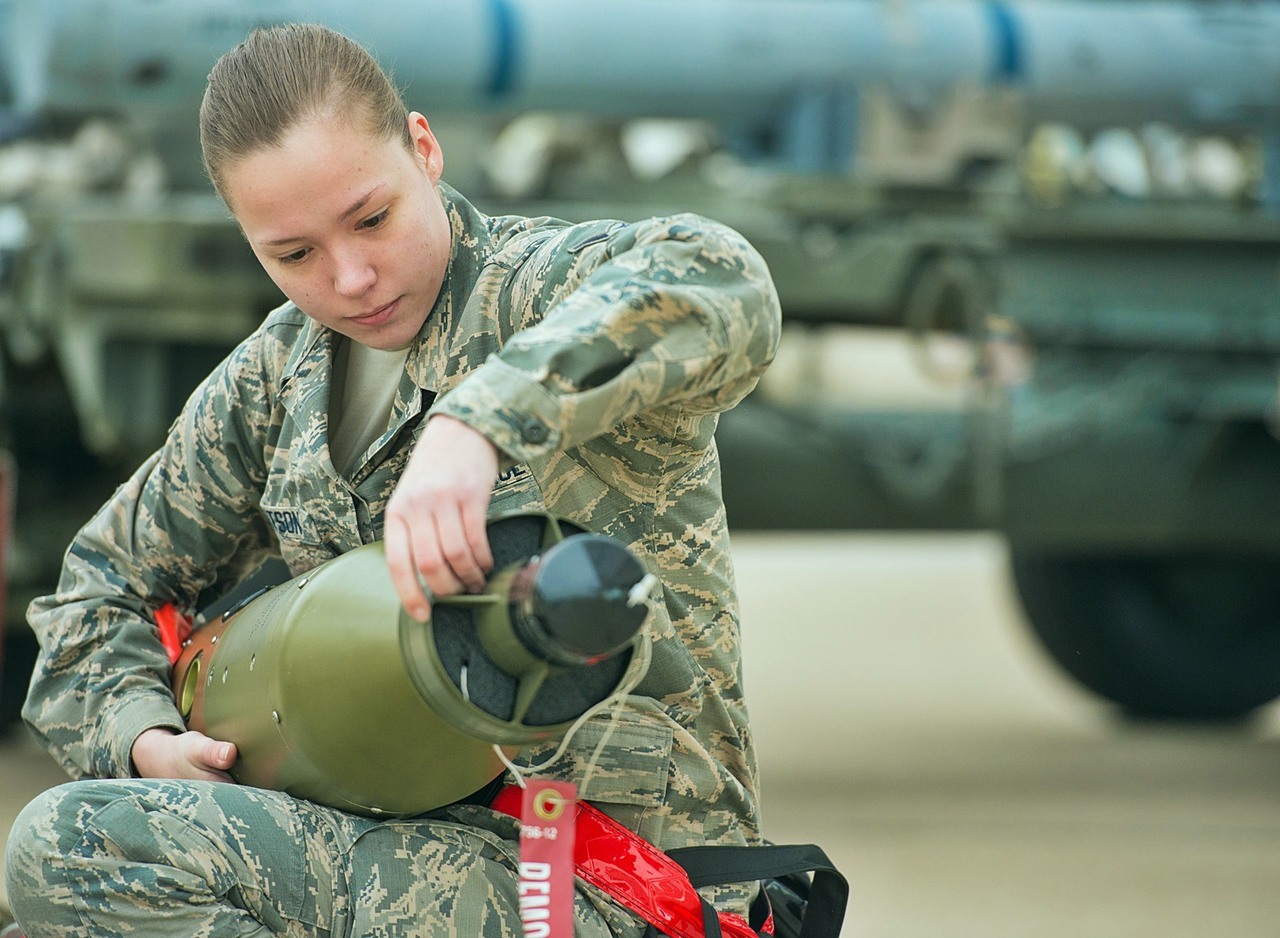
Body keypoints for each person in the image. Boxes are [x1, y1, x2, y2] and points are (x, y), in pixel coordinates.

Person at [2, 21, 781, 938]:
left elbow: (723, 277)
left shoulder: (537, 294)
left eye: (372, 218)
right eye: (293, 254)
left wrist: (482, 418)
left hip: (597, 881)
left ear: (423, 148)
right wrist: (143, 737)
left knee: (80, 845)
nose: (353, 276)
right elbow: (95, 592)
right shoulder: (278, 378)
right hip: (389, 842)